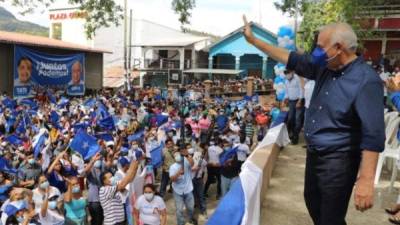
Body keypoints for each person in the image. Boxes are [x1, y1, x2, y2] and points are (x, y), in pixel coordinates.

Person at [243, 17, 385, 225]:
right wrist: (255, 42)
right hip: (315, 154)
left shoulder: (366, 80)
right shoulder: (325, 67)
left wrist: (365, 181)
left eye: (320, 47)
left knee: (330, 217)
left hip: (339, 161)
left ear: (339, 47)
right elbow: (291, 59)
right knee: (313, 203)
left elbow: (373, 134)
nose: (316, 52)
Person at [99, 158, 139, 225]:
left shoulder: (114, 188)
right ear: (104, 181)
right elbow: (122, 184)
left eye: (112, 176)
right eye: (110, 177)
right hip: (112, 223)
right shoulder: (103, 189)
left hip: (120, 221)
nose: (113, 178)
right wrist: (131, 169)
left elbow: (129, 181)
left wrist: (134, 170)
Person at [169, 150, 196, 225]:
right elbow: (172, 179)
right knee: (179, 210)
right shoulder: (172, 167)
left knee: (191, 207)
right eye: (175, 155)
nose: (177, 156)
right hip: (178, 191)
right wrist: (178, 173)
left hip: (188, 189)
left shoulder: (186, 162)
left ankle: (191, 219)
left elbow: (192, 163)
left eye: (178, 154)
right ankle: (181, 223)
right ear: (174, 158)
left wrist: (187, 155)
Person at [284, 69, 304, 145]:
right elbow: (286, 91)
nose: (287, 75)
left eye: (288, 73)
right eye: (285, 73)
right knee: (290, 118)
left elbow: (301, 89)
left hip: (299, 100)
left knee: (297, 119)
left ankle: (295, 137)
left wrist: (300, 100)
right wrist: (285, 98)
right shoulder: (286, 81)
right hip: (291, 101)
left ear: (292, 72)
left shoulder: (297, 78)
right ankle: (291, 133)